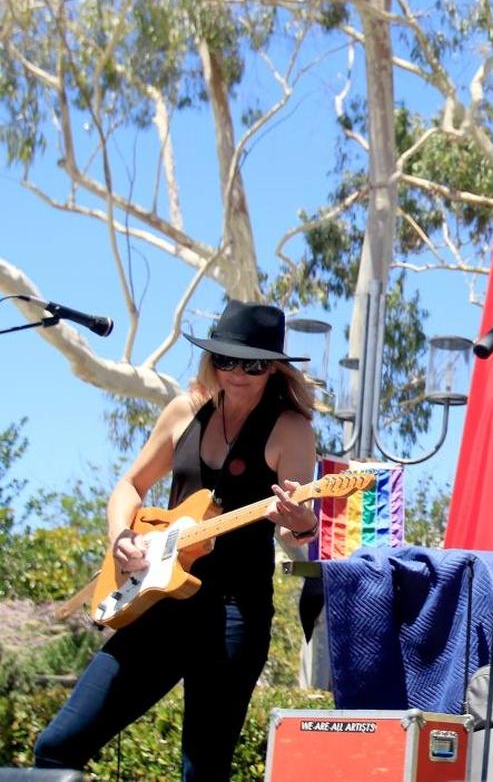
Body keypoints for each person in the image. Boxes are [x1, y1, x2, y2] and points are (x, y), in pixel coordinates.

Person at [35, 300, 320, 780]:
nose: (237, 373)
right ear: (212, 359)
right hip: (158, 600)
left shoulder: (291, 430)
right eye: (226, 360)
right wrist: (121, 536)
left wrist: (301, 522)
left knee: (203, 770)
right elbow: (130, 485)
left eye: (252, 364)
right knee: (57, 746)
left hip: (234, 613)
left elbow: (296, 531)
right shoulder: (186, 410)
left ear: (273, 367)